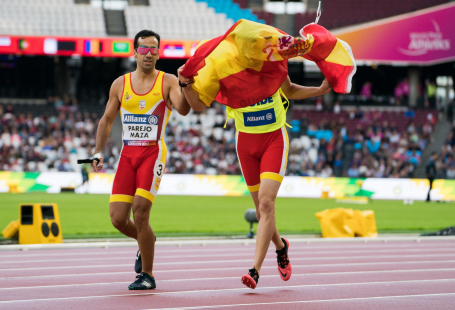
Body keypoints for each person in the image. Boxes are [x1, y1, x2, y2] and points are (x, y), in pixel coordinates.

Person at [178, 66, 332, 289]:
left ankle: (255, 270)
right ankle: (281, 247)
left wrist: (319, 89)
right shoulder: (225, 69)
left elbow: (288, 90)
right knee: (261, 212)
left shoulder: (273, 65)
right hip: (246, 145)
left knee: (267, 203)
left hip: (274, 140)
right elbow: (197, 104)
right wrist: (186, 83)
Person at [91, 30, 191, 290]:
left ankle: (147, 275)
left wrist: (185, 84)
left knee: (141, 211)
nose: (149, 53)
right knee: (118, 219)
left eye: (153, 49)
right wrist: (98, 150)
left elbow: (182, 109)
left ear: (159, 53)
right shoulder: (120, 84)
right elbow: (107, 119)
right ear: (134, 52)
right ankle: (147, 241)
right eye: (144, 49)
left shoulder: (167, 81)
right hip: (127, 155)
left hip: (152, 153)